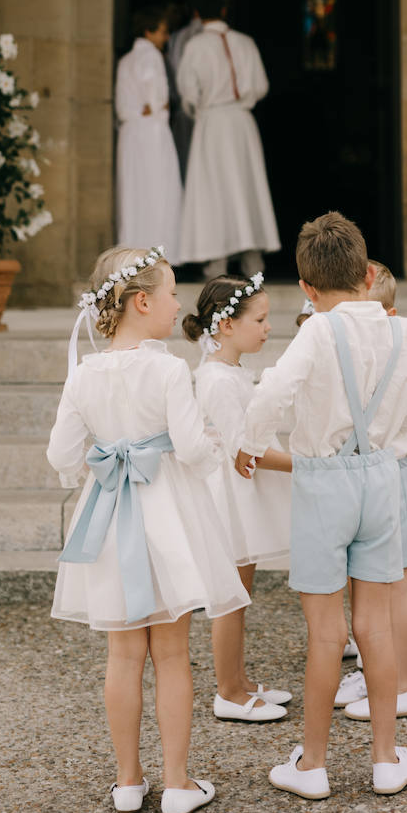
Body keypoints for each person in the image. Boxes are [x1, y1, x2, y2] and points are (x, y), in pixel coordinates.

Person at [236, 213, 407, 799]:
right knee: (374, 627)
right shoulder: (400, 329)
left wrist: (249, 446)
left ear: (306, 288)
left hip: (323, 484)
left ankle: (313, 767)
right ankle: (385, 760)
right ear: (364, 273)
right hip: (381, 478)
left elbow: (273, 393)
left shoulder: (317, 330)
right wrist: (392, 431)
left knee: (326, 633)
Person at [46, 245, 249, 813]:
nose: (178, 302)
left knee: (123, 653)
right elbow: (189, 448)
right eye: (173, 293)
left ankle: (128, 782)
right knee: (174, 653)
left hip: (112, 516)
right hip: (166, 518)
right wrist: (211, 446)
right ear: (142, 302)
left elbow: (61, 453)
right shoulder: (166, 368)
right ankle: (179, 783)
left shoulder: (85, 373)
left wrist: (100, 461)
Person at [183, 273, 292, 724]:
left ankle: (239, 680)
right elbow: (242, 451)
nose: (268, 328)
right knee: (230, 595)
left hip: (240, 495)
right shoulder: (217, 380)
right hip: (226, 499)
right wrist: (307, 464)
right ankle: (227, 691)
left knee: (241, 590)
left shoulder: (232, 373)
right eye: (260, 319)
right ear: (227, 325)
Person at [335, 261, 407, 720]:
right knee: (375, 583)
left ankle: (406, 686)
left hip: (398, 467)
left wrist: (401, 424)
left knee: (400, 586)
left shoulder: (404, 335)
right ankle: (378, 673)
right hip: (373, 468)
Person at [176, 0, 279, 277]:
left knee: (214, 190)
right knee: (246, 186)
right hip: (242, 122)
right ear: (223, 9)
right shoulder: (246, 42)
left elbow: (188, 92)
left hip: (211, 123)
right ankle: (252, 259)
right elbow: (260, 86)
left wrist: (197, 109)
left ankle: (216, 260)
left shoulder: (195, 46)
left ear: (196, 13)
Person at [115, 7, 182, 263]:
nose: (166, 38)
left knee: (133, 192)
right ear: (148, 31)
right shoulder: (152, 57)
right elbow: (157, 101)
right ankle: (159, 251)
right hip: (151, 133)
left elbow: (125, 107)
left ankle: (134, 252)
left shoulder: (125, 60)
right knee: (157, 190)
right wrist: (157, 108)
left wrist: (144, 108)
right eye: (163, 32)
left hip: (131, 133)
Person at [166, 0, 202, 178]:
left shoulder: (177, 37)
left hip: (184, 106)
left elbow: (174, 73)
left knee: (187, 163)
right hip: (203, 109)